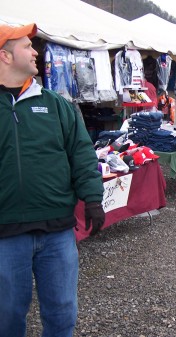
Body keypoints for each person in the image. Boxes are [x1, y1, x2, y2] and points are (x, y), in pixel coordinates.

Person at [0, 23, 105, 337]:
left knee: (61, 314)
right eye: (26, 46)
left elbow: (82, 153)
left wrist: (93, 199)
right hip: (6, 233)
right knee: (6, 318)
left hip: (57, 232)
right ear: (5, 56)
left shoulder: (57, 105)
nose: (35, 52)